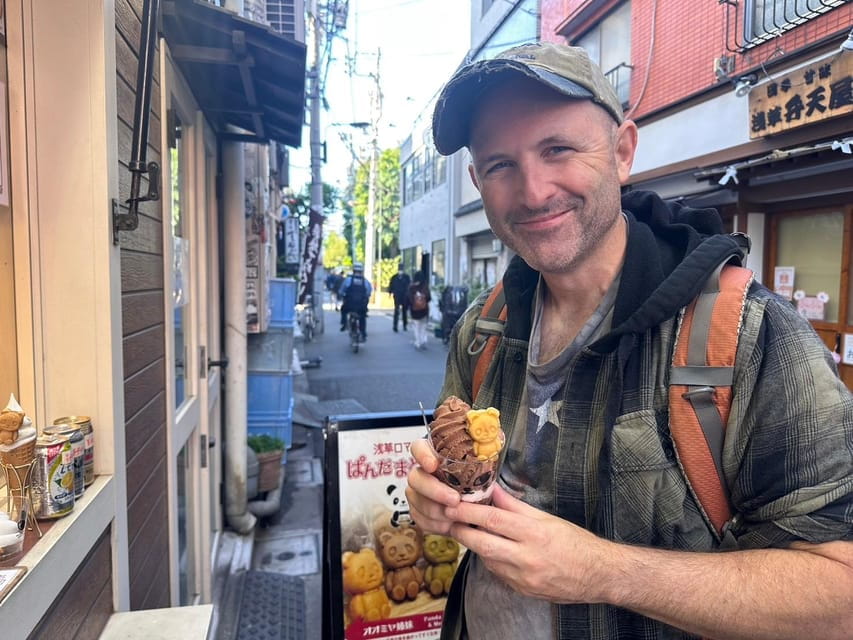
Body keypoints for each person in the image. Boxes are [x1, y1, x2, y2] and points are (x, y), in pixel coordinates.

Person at [406, 42, 853, 640]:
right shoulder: (482, 328)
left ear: (621, 152)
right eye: (500, 164)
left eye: (557, 149)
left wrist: (602, 572)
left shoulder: (748, 336)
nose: (533, 191)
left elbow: (839, 595)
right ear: (477, 181)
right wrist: (434, 497)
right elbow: (457, 475)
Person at [339, 263, 372, 340]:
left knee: (343, 310)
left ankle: (344, 324)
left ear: (353, 270)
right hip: (361, 306)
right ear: (361, 271)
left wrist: (342, 295)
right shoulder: (365, 281)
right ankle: (363, 333)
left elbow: (341, 290)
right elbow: (369, 292)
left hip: (349, 305)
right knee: (362, 317)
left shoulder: (348, 280)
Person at [407, 272, 431, 350]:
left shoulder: (411, 287)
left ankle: (418, 342)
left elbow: (408, 299)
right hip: (424, 310)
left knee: (416, 326)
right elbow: (429, 298)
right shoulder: (425, 286)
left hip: (414, 310)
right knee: (423, 326)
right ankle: (423, 340)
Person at [388, 264, 411, 332]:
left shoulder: (406, 277)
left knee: (404, 311)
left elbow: (409, 286)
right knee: (396, 311)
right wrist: (390, 293)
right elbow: (391, 285)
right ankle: (395, 326)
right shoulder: (394, 277)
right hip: (397, 296)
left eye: (401, 270)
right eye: (399, 269)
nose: (400, 271)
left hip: (405, 296)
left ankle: (404, 325)